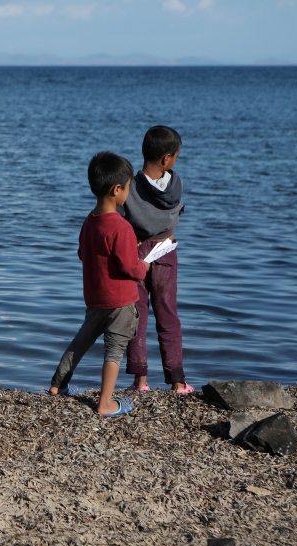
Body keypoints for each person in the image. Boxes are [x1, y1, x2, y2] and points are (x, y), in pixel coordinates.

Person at [49, 152, 148, 417]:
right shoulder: (122, 227)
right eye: (128, 187)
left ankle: (58, 386)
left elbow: (84, 254)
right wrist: (144, 266)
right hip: (121, 302)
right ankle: (105, 404)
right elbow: (130, 267)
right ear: (117, 189)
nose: (128, 192)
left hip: (95, 298)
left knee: (80, 342)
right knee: (114, 350)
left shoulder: (89, 222)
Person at [119, 126, 193, 393]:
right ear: (166, 159)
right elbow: (178, 211)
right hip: (166, 250)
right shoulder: (177, 184)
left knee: (136, 316)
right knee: (168, 315)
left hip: (135, 252)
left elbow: (121, 214)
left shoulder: (131, 186)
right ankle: (177, 381)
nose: (175, 161)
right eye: (175, 156)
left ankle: (140, 382)